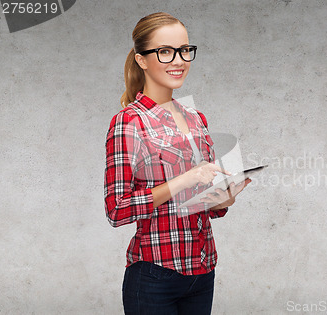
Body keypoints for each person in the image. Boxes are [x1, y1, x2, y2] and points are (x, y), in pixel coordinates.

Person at [104, 12, 250, 315]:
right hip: (155, 273)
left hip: (202, 268)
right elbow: (117, 210)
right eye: (165, 51)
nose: (179, 60)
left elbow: (200, 203)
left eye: (185, 50)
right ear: (142, 59)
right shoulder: (129, 123)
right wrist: (184, 179)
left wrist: (223, 198)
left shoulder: (196, 118)